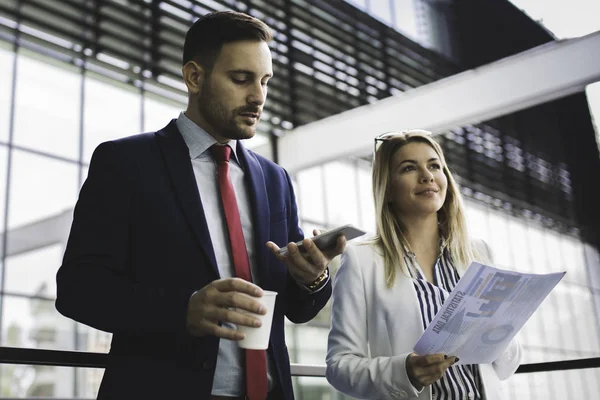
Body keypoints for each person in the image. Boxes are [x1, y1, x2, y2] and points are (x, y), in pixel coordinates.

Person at [55, 11, 344, 400]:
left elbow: (298, 309)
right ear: (194, 77)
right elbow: (77, 289)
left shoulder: (275, 179)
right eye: (241, 79)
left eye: (264, 81)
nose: (258, 96)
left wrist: (312, 277)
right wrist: (184, 310)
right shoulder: (125, 163)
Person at [325, 130, 521, 400]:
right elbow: (339, 367)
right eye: (408, 168)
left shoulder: (477, 252)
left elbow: (506, 366)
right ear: (388, 188)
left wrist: (500, 331)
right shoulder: (362, 260)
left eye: (434, 166)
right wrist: (405, 371)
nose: (427, 175)